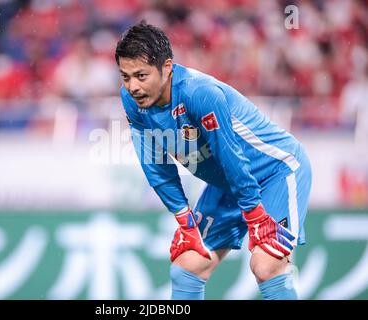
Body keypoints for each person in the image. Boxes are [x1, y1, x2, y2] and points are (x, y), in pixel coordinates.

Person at [115, 21, 312, 300]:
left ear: (167, 67)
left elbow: (229, 154)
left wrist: (255, 215)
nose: (133, 86)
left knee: (265, 266)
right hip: (229, 181)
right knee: (187, 267)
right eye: (125, 77)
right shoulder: (132, 100)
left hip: (277, 171)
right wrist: (184, 220)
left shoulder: (199, 94)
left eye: (141, 75)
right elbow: (154, 162)